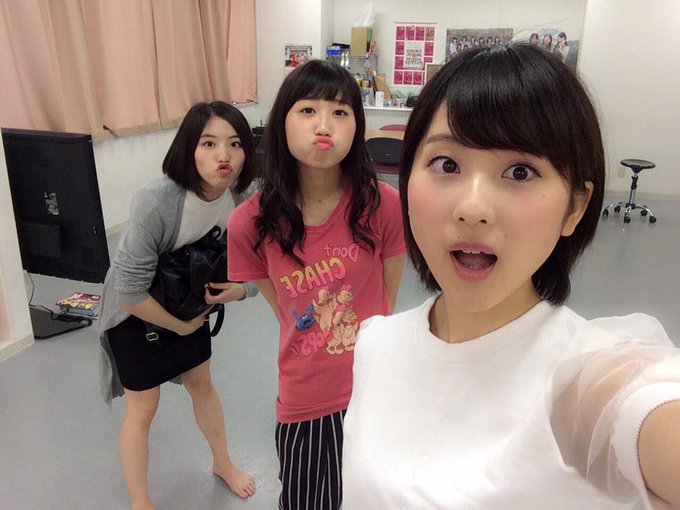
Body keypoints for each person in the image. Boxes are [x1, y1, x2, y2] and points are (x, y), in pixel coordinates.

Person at [342, 44, 680, 509]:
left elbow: (647, 409)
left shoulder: (584, 380)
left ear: (575, 207)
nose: (473, 208)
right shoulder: (374, 344)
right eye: (446, 164)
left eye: (520, 171)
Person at [227, 59, 406, 510]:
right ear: (282, 122)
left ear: (356, 127)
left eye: (340, 112)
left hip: (375, 388)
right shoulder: (249, 223)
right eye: (308, 110)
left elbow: (386, 299)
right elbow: (286, 311)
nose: (324, 125)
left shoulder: (383, 205)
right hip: (306, 398)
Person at [98, 101, 258, 510]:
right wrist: (179, 326)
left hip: (188, 305)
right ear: (189, 147)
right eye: (209, 143)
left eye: (235, 144)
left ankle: (222, 462)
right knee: (143, 407)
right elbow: (128, 291)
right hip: (136, 314)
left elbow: (265, 262)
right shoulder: (157, 200)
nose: (224, 155)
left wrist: (240, 291)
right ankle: (141, 501)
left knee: (202, 383)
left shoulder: (244, 195)